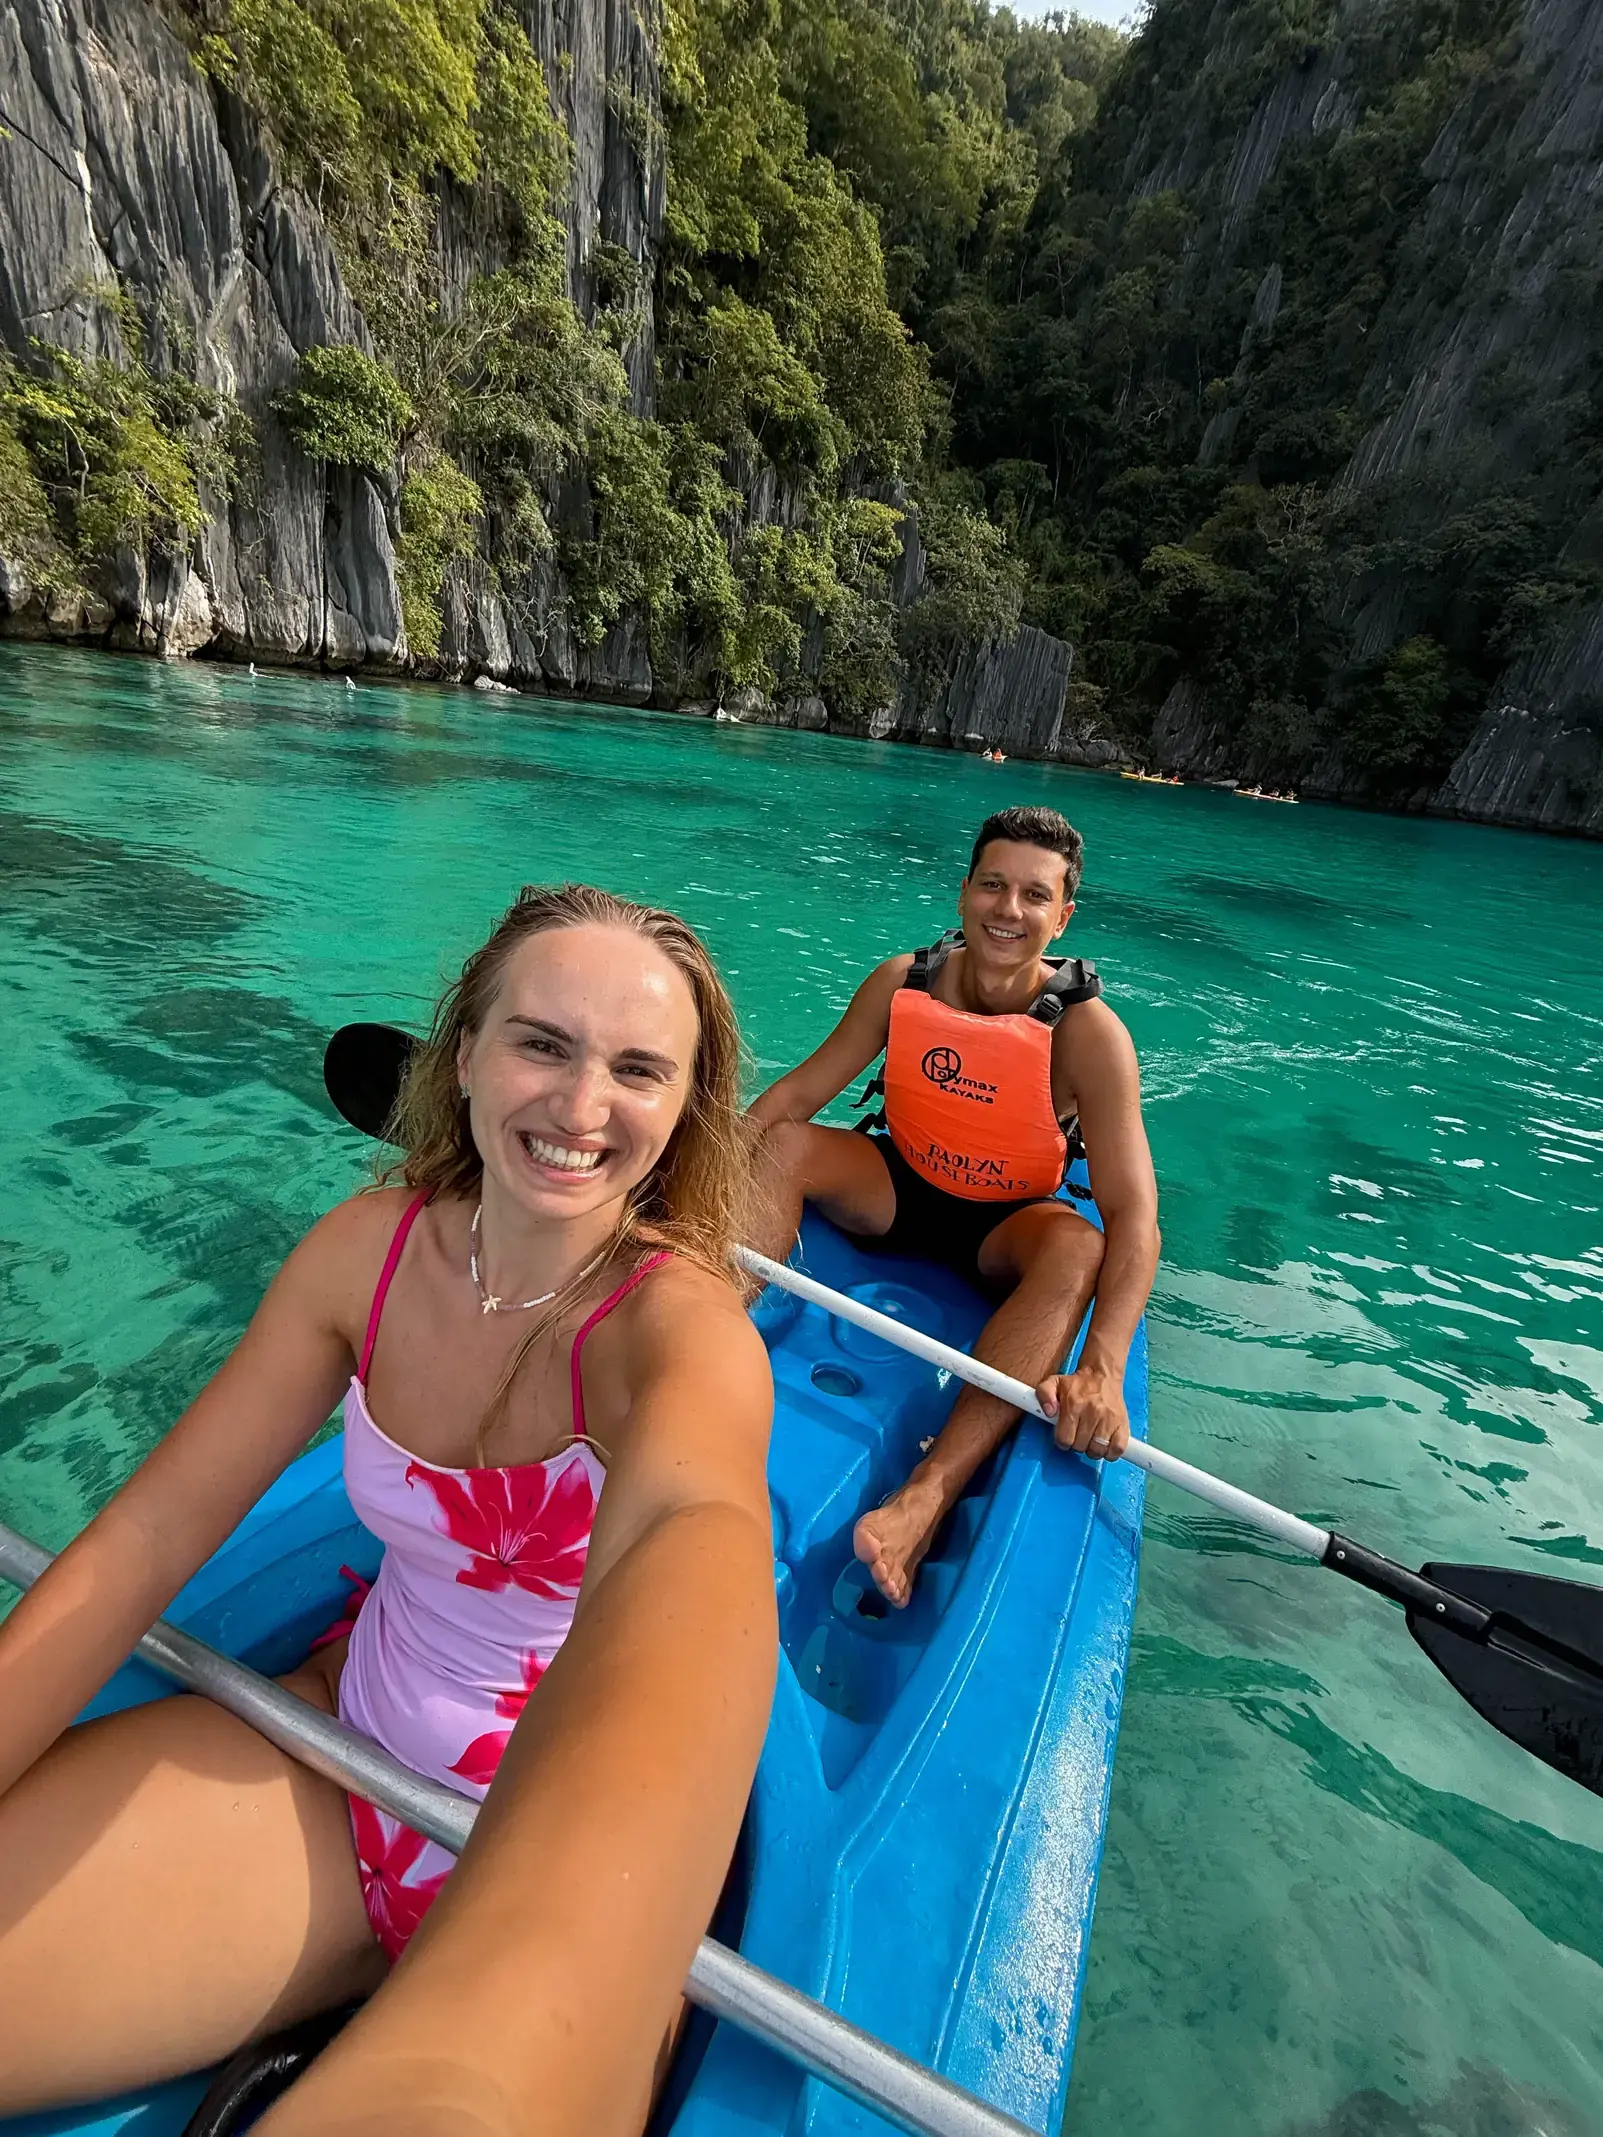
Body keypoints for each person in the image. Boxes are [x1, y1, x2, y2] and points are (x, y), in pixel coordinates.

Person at [0, 883, 776, 2126]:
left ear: (683, 1113)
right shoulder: (366, 1251)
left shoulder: (682, 1336)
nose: (582, 1108)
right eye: (542, 1043)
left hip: (568, 1859)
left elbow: (699, 1548)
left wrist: (485, 2050)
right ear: (463, 1053)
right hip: (344, 1757)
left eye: (638, 1069)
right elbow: (145, 1539)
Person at [748, 806, 1158, 1608]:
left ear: (1062, 915)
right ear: (964, 890)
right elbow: (799, 1092)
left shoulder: (1089, 1035)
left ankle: (926, 1494)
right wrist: (691, 1174)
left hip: (1002, 1223)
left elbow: (1134, 1214)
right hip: (896, 1184)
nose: (1009, 909)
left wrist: (1101, 1367)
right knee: (784, 1146)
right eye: (994, 885)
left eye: (1033, 895)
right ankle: (695, 1330)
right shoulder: (903, 980)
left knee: (1078, 1246)